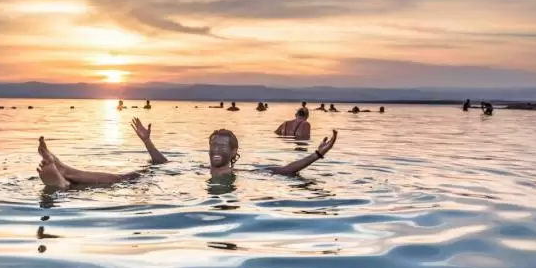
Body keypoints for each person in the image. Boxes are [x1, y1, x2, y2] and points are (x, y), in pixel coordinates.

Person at [36, 118, 338, 189]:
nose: (215, 150)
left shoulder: (245, 174)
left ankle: (65, 178)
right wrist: (146, 142)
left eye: (222, 146)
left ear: (234, 152)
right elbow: (163, 164)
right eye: (213, 145)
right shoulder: (197, 171)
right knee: (130, 177)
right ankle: (64, 173)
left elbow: (286, 171)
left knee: (125, 181)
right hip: (177, 184)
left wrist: (316, 155)